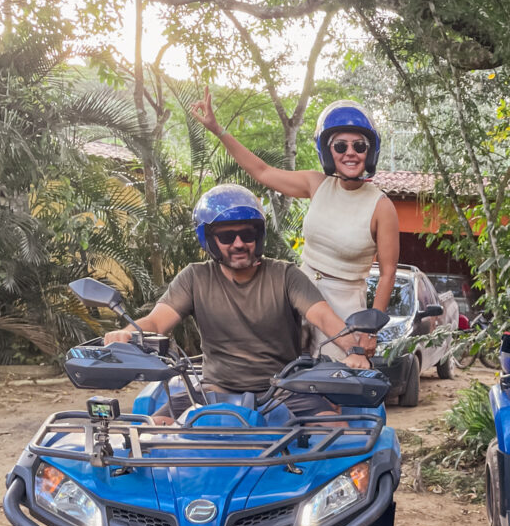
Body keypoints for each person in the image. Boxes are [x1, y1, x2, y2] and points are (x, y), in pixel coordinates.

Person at [103, 185, 370, 422]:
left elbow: (323, 317)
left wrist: (354, 349)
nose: (239, 243)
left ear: (259, 235)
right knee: (153, 434)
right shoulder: (195, 277)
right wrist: (128, 333)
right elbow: (157, 321)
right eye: (228, 237)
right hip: (214, 391)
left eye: (247, 234)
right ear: (209, 239)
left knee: (335, 430)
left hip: (282, 390)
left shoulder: (285, 275)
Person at [190, 89, 399, 360]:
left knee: (336, 385)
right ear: (328, 151)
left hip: (345, 306)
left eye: (359, 146)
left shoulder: (381, 206)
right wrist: (218, 130)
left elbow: (387, 273)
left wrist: (371, 330)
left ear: (369, 152)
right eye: (340, 146)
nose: (350, 153)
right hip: (299, 293)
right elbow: (262, 171)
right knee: (276, 375)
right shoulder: (317, 184)